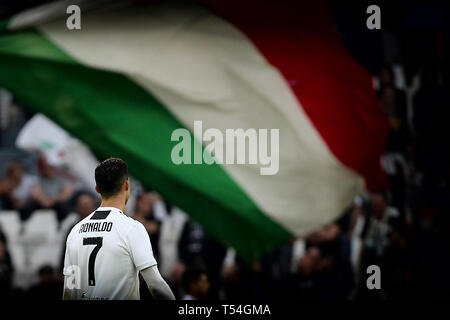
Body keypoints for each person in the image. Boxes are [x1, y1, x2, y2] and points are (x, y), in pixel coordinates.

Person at [62, 158, 175, 300]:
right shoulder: (132, 228)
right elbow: (156, 285)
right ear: (127, 185)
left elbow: (70, 291)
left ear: (97, 189)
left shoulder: (76, 231)